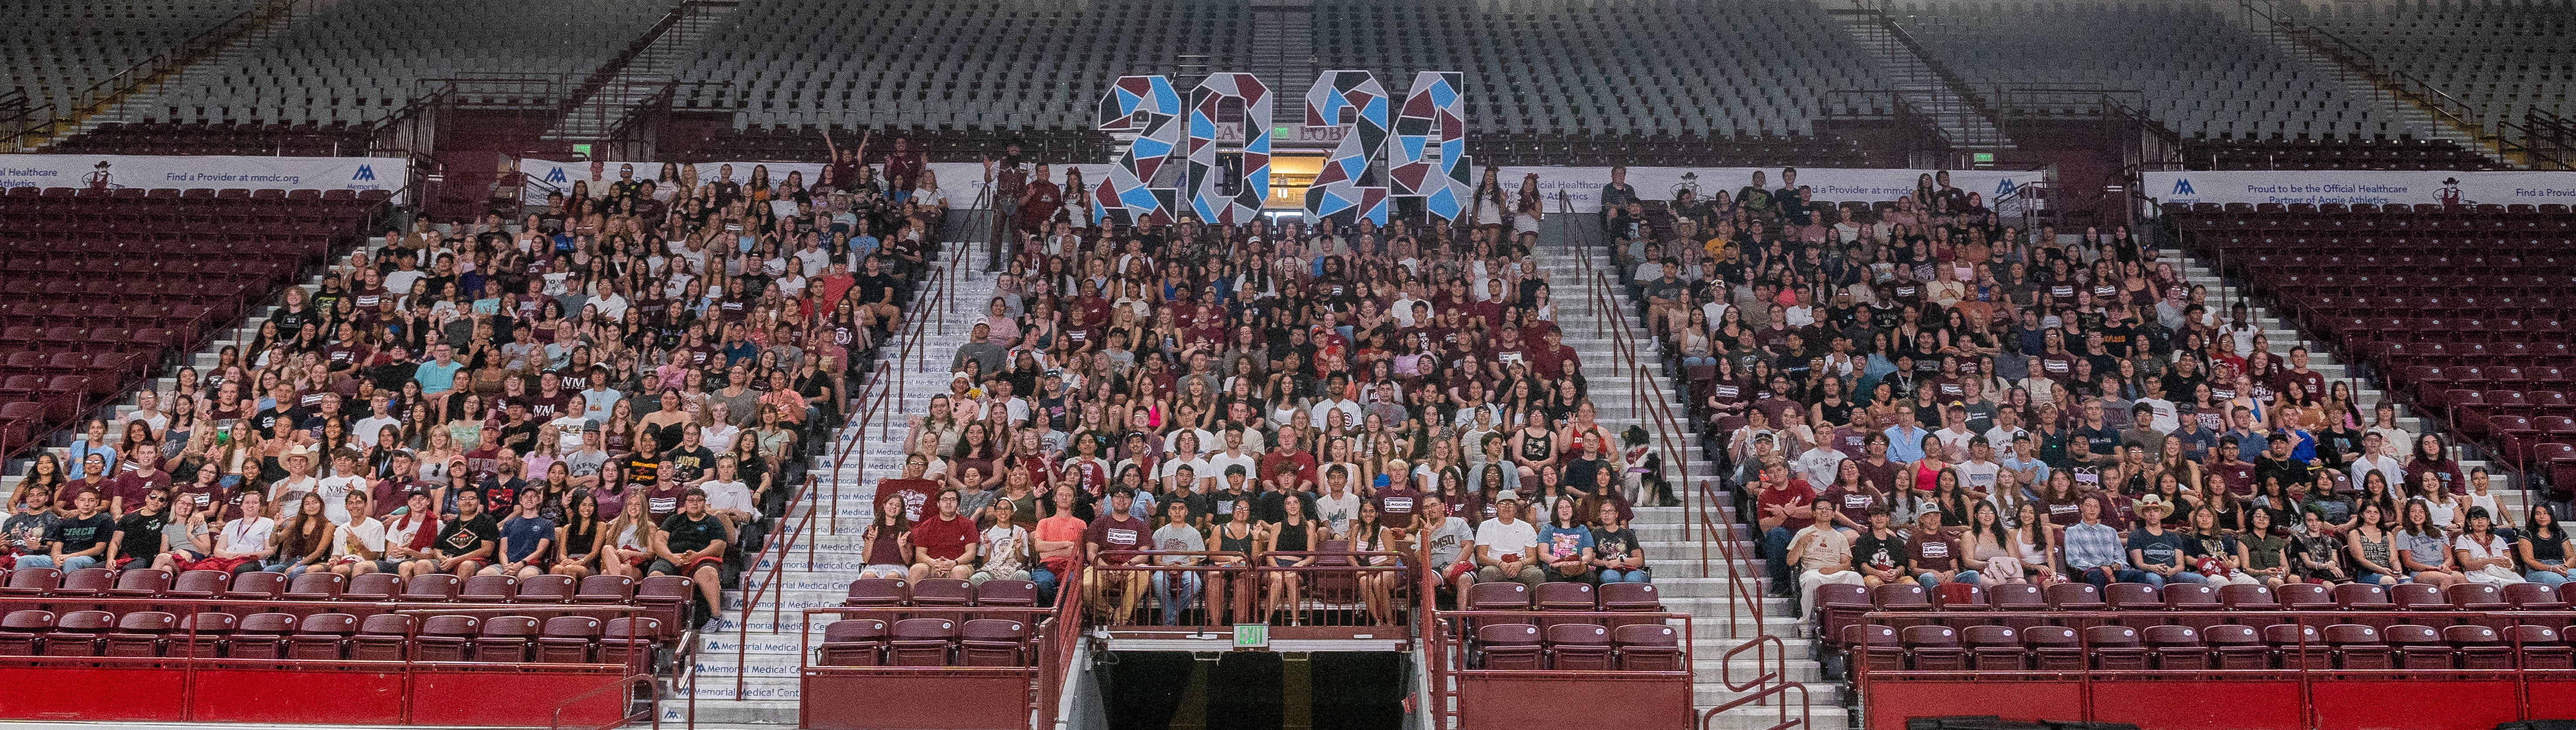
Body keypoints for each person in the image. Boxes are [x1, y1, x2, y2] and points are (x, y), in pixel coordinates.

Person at [651, 489, 730, 627]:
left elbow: (719, 545)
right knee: (656, 575)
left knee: (708, 573)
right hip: (673, 558)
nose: (695, 503)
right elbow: (658, 542)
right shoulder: (674, 520)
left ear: (704, 504)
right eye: (691, 500)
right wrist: (671, 556)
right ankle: (659, 621)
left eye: (699, 500)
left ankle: (716, 616)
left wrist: (698, 555)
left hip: (701, 559)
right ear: (685, 504)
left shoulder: (713, 522)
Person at [1083, 487, 1151, 623]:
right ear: (1112, 500)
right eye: (1118, 496)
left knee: (1143, 576)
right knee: (1087, 585)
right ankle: (1107, 614)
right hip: (1102, 566)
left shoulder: (1141, 526)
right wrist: (1106, 568)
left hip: (1131, 567)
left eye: (1126, 497)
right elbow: (1091, 554)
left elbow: (1145, 555)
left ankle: (1120, 620)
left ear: (1131, 501)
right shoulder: (1098, 524)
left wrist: (1127, 566)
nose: (1122, 500)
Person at [1789, 499, 1861, 619]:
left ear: (1833, 514)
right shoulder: (1803, 533)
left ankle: (1855, 620)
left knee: (1855, 577)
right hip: (1813, 572)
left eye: (1828, 509)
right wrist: (1800, 543)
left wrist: (1833, 570)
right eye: (1821, 508)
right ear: (1813, 513)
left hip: (1836, 572)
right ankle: (1807, 624)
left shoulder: (1841, 537)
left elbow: (1847, 565)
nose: (1824, 511)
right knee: (1813, 580)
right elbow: (1790, 561)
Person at [1257, 491, 1318, 623]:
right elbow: (1270, 556)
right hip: (1276, 565)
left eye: (1296, 502)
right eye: (1288, 503)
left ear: (1301, 505)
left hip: (1298, 566)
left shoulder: (1309, 526)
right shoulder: (1277, 527)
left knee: (1291, 578)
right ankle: (1266, 623)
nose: (1292, 506)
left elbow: (1311, 557)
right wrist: (1278, 569)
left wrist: (1299, 566)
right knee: (1278, 580)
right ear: (1285, 507)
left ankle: (1296, 622)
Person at [2066, 495, 2149, 588]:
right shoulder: (2072, 531)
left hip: (2112, 570)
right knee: (2096, 574)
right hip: (2090, 571)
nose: (2092, 509)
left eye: (2096, 507)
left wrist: (2116, 566)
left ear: (2099, 509)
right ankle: (2101, 602)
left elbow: (2121, 557)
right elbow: (2072, 560)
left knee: (2138, 574)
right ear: (2081, 508)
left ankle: (2135, 602)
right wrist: (2100, 568)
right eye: (2088, 506)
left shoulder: (2111, 531)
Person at [1472, 490, 1544, 592]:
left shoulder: (1527, 527)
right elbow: (1481, 557)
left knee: (1537, 575)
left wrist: (1520, 564)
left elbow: (1533, 558)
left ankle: (1534, 607)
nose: (1507, 507)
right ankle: (1489, 607)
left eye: (1511, 504)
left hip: (1521, 567)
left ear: (1515, 509)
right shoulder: (1486, 526)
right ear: (1496, 507)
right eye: (1502, 503)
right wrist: (1499, 564)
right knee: (1486, 573)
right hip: (1495, 566)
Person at [1148, 500, 1205, 626]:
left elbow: (1195, 561)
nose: (1178, 512)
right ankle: (1172, 617)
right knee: (1158, 580)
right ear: (1169, 512)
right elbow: (1157, 561)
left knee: (1195, 584)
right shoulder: (1159, 533)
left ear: (1186, 512)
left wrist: (1181, 567)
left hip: (1186, 567)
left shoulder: (1195, 534)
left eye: (1181, 508)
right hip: (1164, 568)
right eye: (1174, 508)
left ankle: (1169, 618)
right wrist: (1168, 567)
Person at [2123, 495, 2200, 588]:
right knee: (2156, 579)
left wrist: (2173, 571)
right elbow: (2139, 563)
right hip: (2150, 573)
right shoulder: (2136, 536)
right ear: (2143, 514)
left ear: (2161, 513)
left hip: (2173, 573)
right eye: (2148, 510)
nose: (2152, 514)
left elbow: (2181, 565)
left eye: (2156, 510)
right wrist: (2153, 568)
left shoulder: (2174, 537)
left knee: (2200, 579)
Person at [419, 489, 498, 578]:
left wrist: (456, 560)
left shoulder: (487, 520)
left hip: (472, 561)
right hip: (447, 560)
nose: (467, 501)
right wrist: (441, 558)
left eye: (472, 498)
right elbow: (437, 548)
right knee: (422, 564)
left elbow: (487, 551)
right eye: (463, 499)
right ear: (458, 503)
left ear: (478, 502)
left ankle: (461, 592)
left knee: (466, 566)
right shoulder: (452, 524)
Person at [909, 488, 979, 583]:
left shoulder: (968, 525)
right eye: (944, 499)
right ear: (938, 503)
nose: (949, 503)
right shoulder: (927, 525)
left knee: (959, 571)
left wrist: (954, 563)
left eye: (953, 500)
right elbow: (920, 554)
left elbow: (971, 553)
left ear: (958, 504)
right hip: (932, 565)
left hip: (959, 564)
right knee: (917, 569)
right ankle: (912, 598)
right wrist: (934, 563)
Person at [485, 487, 556, 579]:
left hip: (530, 565)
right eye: (525, 497)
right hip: (508, 564)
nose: (529, 499)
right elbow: (503, 551)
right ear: (521, 501)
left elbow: (540, 551)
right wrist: (506, 567)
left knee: (527, 575)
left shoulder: (547, 524)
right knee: (483, 575)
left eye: (533, 496)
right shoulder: (509, 523)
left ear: (539, 500)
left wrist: (520, 564)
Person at [2395, 498, 2465, 589]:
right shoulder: (2403, 534)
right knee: (2447, 579)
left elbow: (2449, 558)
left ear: (2426, 514)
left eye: (2421, 512)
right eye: (2413, 512)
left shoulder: (2439, 532)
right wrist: (2432, 568)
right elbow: (2408, 562)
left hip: (2441, 568)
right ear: (2408, 514)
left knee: (2461, 579)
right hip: (2420, 572)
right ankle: (2440, 603)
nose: (2417, 515)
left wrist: (2445, 566)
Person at [2454, 506, 2525, 586]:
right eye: (2475, 519)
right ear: (2469, 523)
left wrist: (2509, 565)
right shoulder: (2463, 539)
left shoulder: (2498, 539)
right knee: (2502, 584)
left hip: (2502, 573)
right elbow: (2467, 565)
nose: (2480, 522)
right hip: (2478, 575)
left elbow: (2511, 564)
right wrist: (2491, 561)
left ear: (2488, 522)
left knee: (2522, 583)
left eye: (2483, 519)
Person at [1536, 497, 1595, 584]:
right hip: (1555, 569)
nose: (1565, 510)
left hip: (1578, 567)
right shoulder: (1547, 529)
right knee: (1557, 577)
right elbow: (1543, 554)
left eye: (1568, 507)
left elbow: (1589, 555)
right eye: (1561, 508)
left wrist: (1575, 564)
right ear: (1556, 512)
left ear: (1573, 510)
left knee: (1589, 577)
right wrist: (1563, 563)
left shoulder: (1583, 529)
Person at [1590, 501, 1647, 584]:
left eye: (1610, 511)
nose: (1606, 515)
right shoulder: (1596, 533)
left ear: (1616, 514)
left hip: (1629, 569)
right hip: (1607, 570)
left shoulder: (1628, 534)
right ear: (1600, 515)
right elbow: (1592, 560)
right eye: (1603, 512)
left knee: (1633, 579)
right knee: (1612, 578)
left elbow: (1639, 561)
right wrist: (1605, 563)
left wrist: (1620, 561)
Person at [859, 493, 911, 580]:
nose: (894, 507)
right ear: (884, 506)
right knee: (868, 575)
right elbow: (865, 559)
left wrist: (902, 547)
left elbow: (908, 560)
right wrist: (871, 542)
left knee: (892, 576)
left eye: (898, 506)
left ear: (901, 510)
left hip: (897, 568)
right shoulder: (872, 530)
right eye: (891, 504)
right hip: (874, 567)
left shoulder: (905, 532)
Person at [2523, 508, 2574, 587]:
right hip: (2537, 571)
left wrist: (2564, 567)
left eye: (2546, 513)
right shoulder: (2526, 535)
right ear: (2533, 516)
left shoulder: (2560, 533)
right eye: (2538, 514)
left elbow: (2571, 557)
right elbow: (2529, 561)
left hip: (2561, 567)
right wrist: (2551, 569)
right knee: (2558, 581)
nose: (2542, 517)